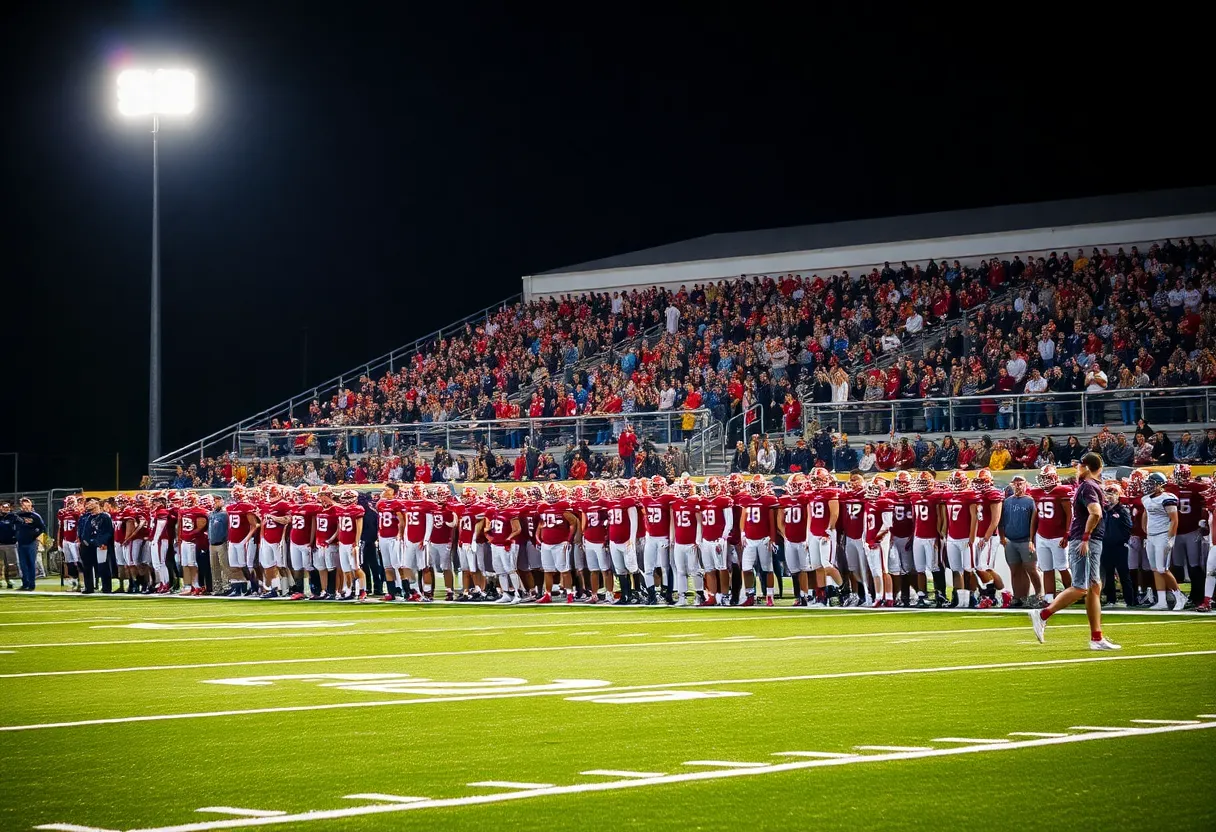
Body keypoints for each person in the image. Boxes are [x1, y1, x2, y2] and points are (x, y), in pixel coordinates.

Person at [1028, 452, 1121, 650]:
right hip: (1086, 539)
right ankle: (1043, 614)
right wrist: (1086, 537)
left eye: (1080, 466)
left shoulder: (1087, 485)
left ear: (1087, 467)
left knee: (1094, 587)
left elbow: (1094, 513)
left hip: (1088, 539)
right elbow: (1095, 513)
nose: (1077, 469)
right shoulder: (1089, 486)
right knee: (1081, 587)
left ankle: (1096, 638)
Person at [1000, 475, 1040, 607]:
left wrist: (1032, 540)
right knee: (1015, 570)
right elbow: (1001, 521)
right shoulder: (1007, 502)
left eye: (1020, 483)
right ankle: (1019, 596)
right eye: (1015, 483)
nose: (1018, 485)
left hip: (1025, 540)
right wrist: (1002, 537)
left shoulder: (1030, 501)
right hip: (1011, 540)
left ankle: (1038, 594)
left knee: (1031, 568)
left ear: (1026, 484)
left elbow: (1034, 522)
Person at [1100, 482, 1134, 607]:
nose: (1109, 497)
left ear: (1118, 495)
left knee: (1123, 573)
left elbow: (1128, 527)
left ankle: (1129, 600)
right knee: (1108, 573)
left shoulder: (1122, 510)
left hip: (1119, 546)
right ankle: (1111, 599)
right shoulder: (1104, 511)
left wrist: (1123, 541)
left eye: (1112, 494)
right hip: (1106, 545)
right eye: (1107, 494)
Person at [77, 497, 114, 594]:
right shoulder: (87, 517)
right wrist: (83, 541)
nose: (88, 504)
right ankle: (89, 587)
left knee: (103, 566)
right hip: (87, 545)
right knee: (87, 567)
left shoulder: (105, 516)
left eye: (91, 503)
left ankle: (106, 587)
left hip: (100, 544)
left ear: (97, 504)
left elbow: (108, 531)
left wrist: (103, 542)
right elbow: (84, 531)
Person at [14, 497, 46, 591]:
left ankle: (31, 585)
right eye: (24, 505)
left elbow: (42, 528)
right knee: (22, 565)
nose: (26, 507)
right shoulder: (17, 515)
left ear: (31, 505)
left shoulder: (35, 516)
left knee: (31, 564)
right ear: (21, 506)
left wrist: (36, 536)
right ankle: (25, 584)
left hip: (32, 543)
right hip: (20, 543)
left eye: (28, 505)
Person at [0, 501, 19, 589]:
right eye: (3, 507)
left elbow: (21, 524)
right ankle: (0, 580)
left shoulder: (13, 517)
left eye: (7, 507)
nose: (5, 509)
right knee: (0, 564)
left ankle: (9, 580)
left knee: (10, 564)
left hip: (11, 544)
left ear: (10, 508)